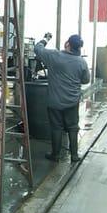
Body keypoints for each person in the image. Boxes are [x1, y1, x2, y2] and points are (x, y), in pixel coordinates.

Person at [34, 33, 90, 163]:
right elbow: (86, 80)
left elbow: (37, 48)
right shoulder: (81, 62)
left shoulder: (54, 56)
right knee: (73, 127)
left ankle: (55, 155)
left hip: (55, 102)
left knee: (56, 127)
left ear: (68, 44)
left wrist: (46, 39)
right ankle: (74, 155)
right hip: (72, 102)